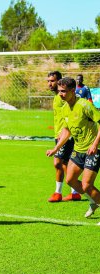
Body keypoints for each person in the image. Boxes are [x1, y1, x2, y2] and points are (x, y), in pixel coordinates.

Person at [47, 77, 100, 218]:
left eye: (63, 91)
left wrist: (95, 144)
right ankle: (93, 201)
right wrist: (55, 149)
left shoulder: (84, 105)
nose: (60, 94)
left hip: (93, 150)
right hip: (78, 149)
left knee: (87, 185)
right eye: (59, 91)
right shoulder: (65, 108)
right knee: (70, 180)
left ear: (72, 91)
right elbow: (66, 131)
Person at [46, 71, 80, 202]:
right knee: (64, 163)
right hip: (59, 134)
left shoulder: (63, 97)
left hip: (65, 135)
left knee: (57, 162)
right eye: (48, 81)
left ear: (59, 81)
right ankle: (74, 191)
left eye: (52, 81)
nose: (50, 83)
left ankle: (58, 193)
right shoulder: (57, 97)